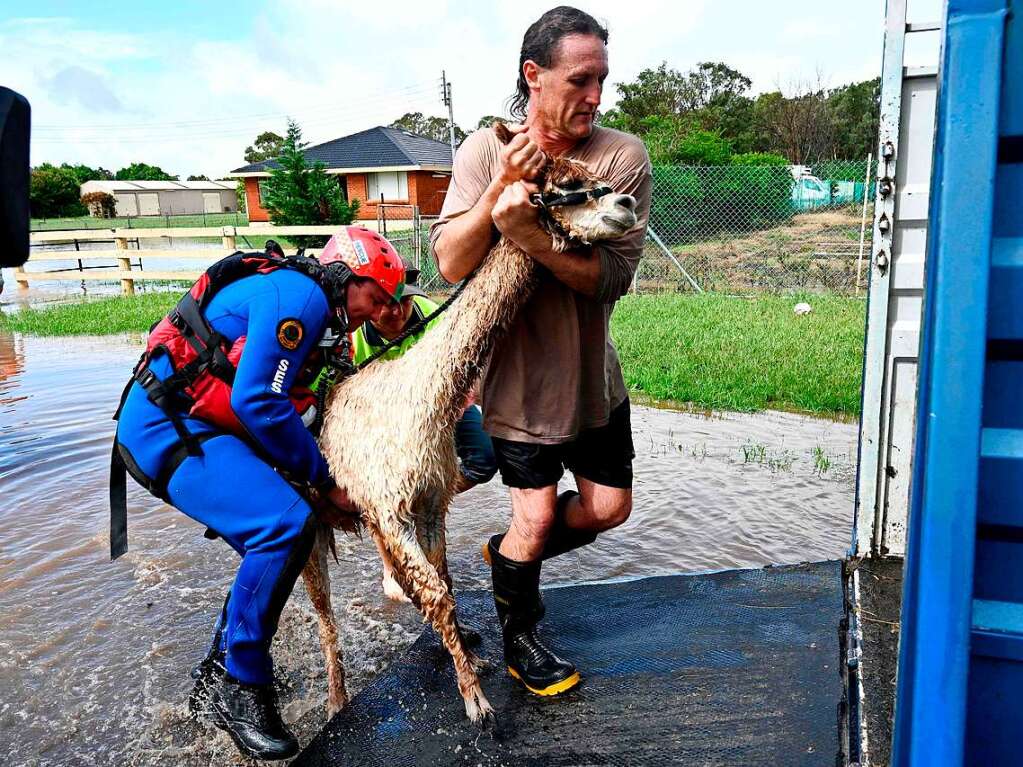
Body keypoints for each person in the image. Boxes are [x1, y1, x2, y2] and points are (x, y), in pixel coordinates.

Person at [111, 227, 405, 761]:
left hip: (194, 424)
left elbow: (281, 401)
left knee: (277, 532)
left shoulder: (308, 304)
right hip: (164, 429)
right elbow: (258, 402)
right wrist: (323, 478)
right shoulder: (302, 298)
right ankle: (241, 687)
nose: (377, 311)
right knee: (283, 524)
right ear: (348, 276)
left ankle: (216, 674)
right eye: (375, 296)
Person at [430, 6, 652, 697]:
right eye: (580, 79)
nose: (595, 95)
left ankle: (504, 562)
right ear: (534, 76)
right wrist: (500, 191)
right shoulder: (480, 152)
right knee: (536, 512)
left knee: (608, 507)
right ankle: (522, 638)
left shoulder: (620, 157)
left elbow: (609, 277)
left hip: (591, 381)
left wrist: (527, 232)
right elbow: (448, 262)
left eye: (601, 80)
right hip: (516, 389)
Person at [348, 270, 498, 599]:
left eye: (404, 300)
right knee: (380, 497)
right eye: (387, 304)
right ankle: (391, 566)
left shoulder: (431, 313)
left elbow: (463, 369)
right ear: (371, 306)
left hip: (440, 409)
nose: (398, 311)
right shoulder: (355, 337)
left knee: (486, 458)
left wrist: (459, 400)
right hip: (383, 420)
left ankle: (428, 502)